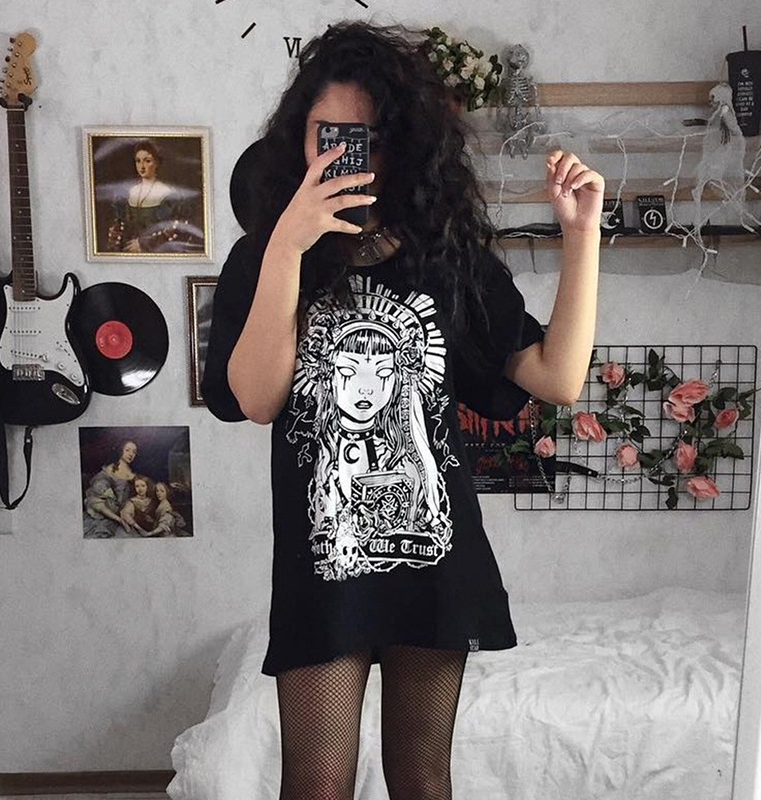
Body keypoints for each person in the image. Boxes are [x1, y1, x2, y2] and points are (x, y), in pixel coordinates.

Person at [202, 19, 603, 800]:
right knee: (316, 783)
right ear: (298, 137)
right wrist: (286, 246)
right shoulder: (264, 257)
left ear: (403, 145)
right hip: (324, 564)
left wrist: (581, 237)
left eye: (369, 138)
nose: (347, 156)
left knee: (422, 779)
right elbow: (255, 398)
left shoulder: (447, 257)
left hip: (434, 555)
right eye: (329, 135)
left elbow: (557, 379)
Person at [106, 139, 202, 253]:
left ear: (156, 163)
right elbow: (118, 229)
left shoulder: (166, 193)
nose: (142, 166)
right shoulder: (129, 192)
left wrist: (144, 244)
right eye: (138, 161)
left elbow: (178, 231)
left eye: (147, 161)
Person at [82, 440, 140, 538]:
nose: (131, 454)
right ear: (121, 451)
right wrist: (119, 520)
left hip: (128, 515)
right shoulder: (109, 471)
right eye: (127, 450)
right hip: (108, 516)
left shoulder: (134, 474)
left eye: (134, 452)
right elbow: (94, 500)